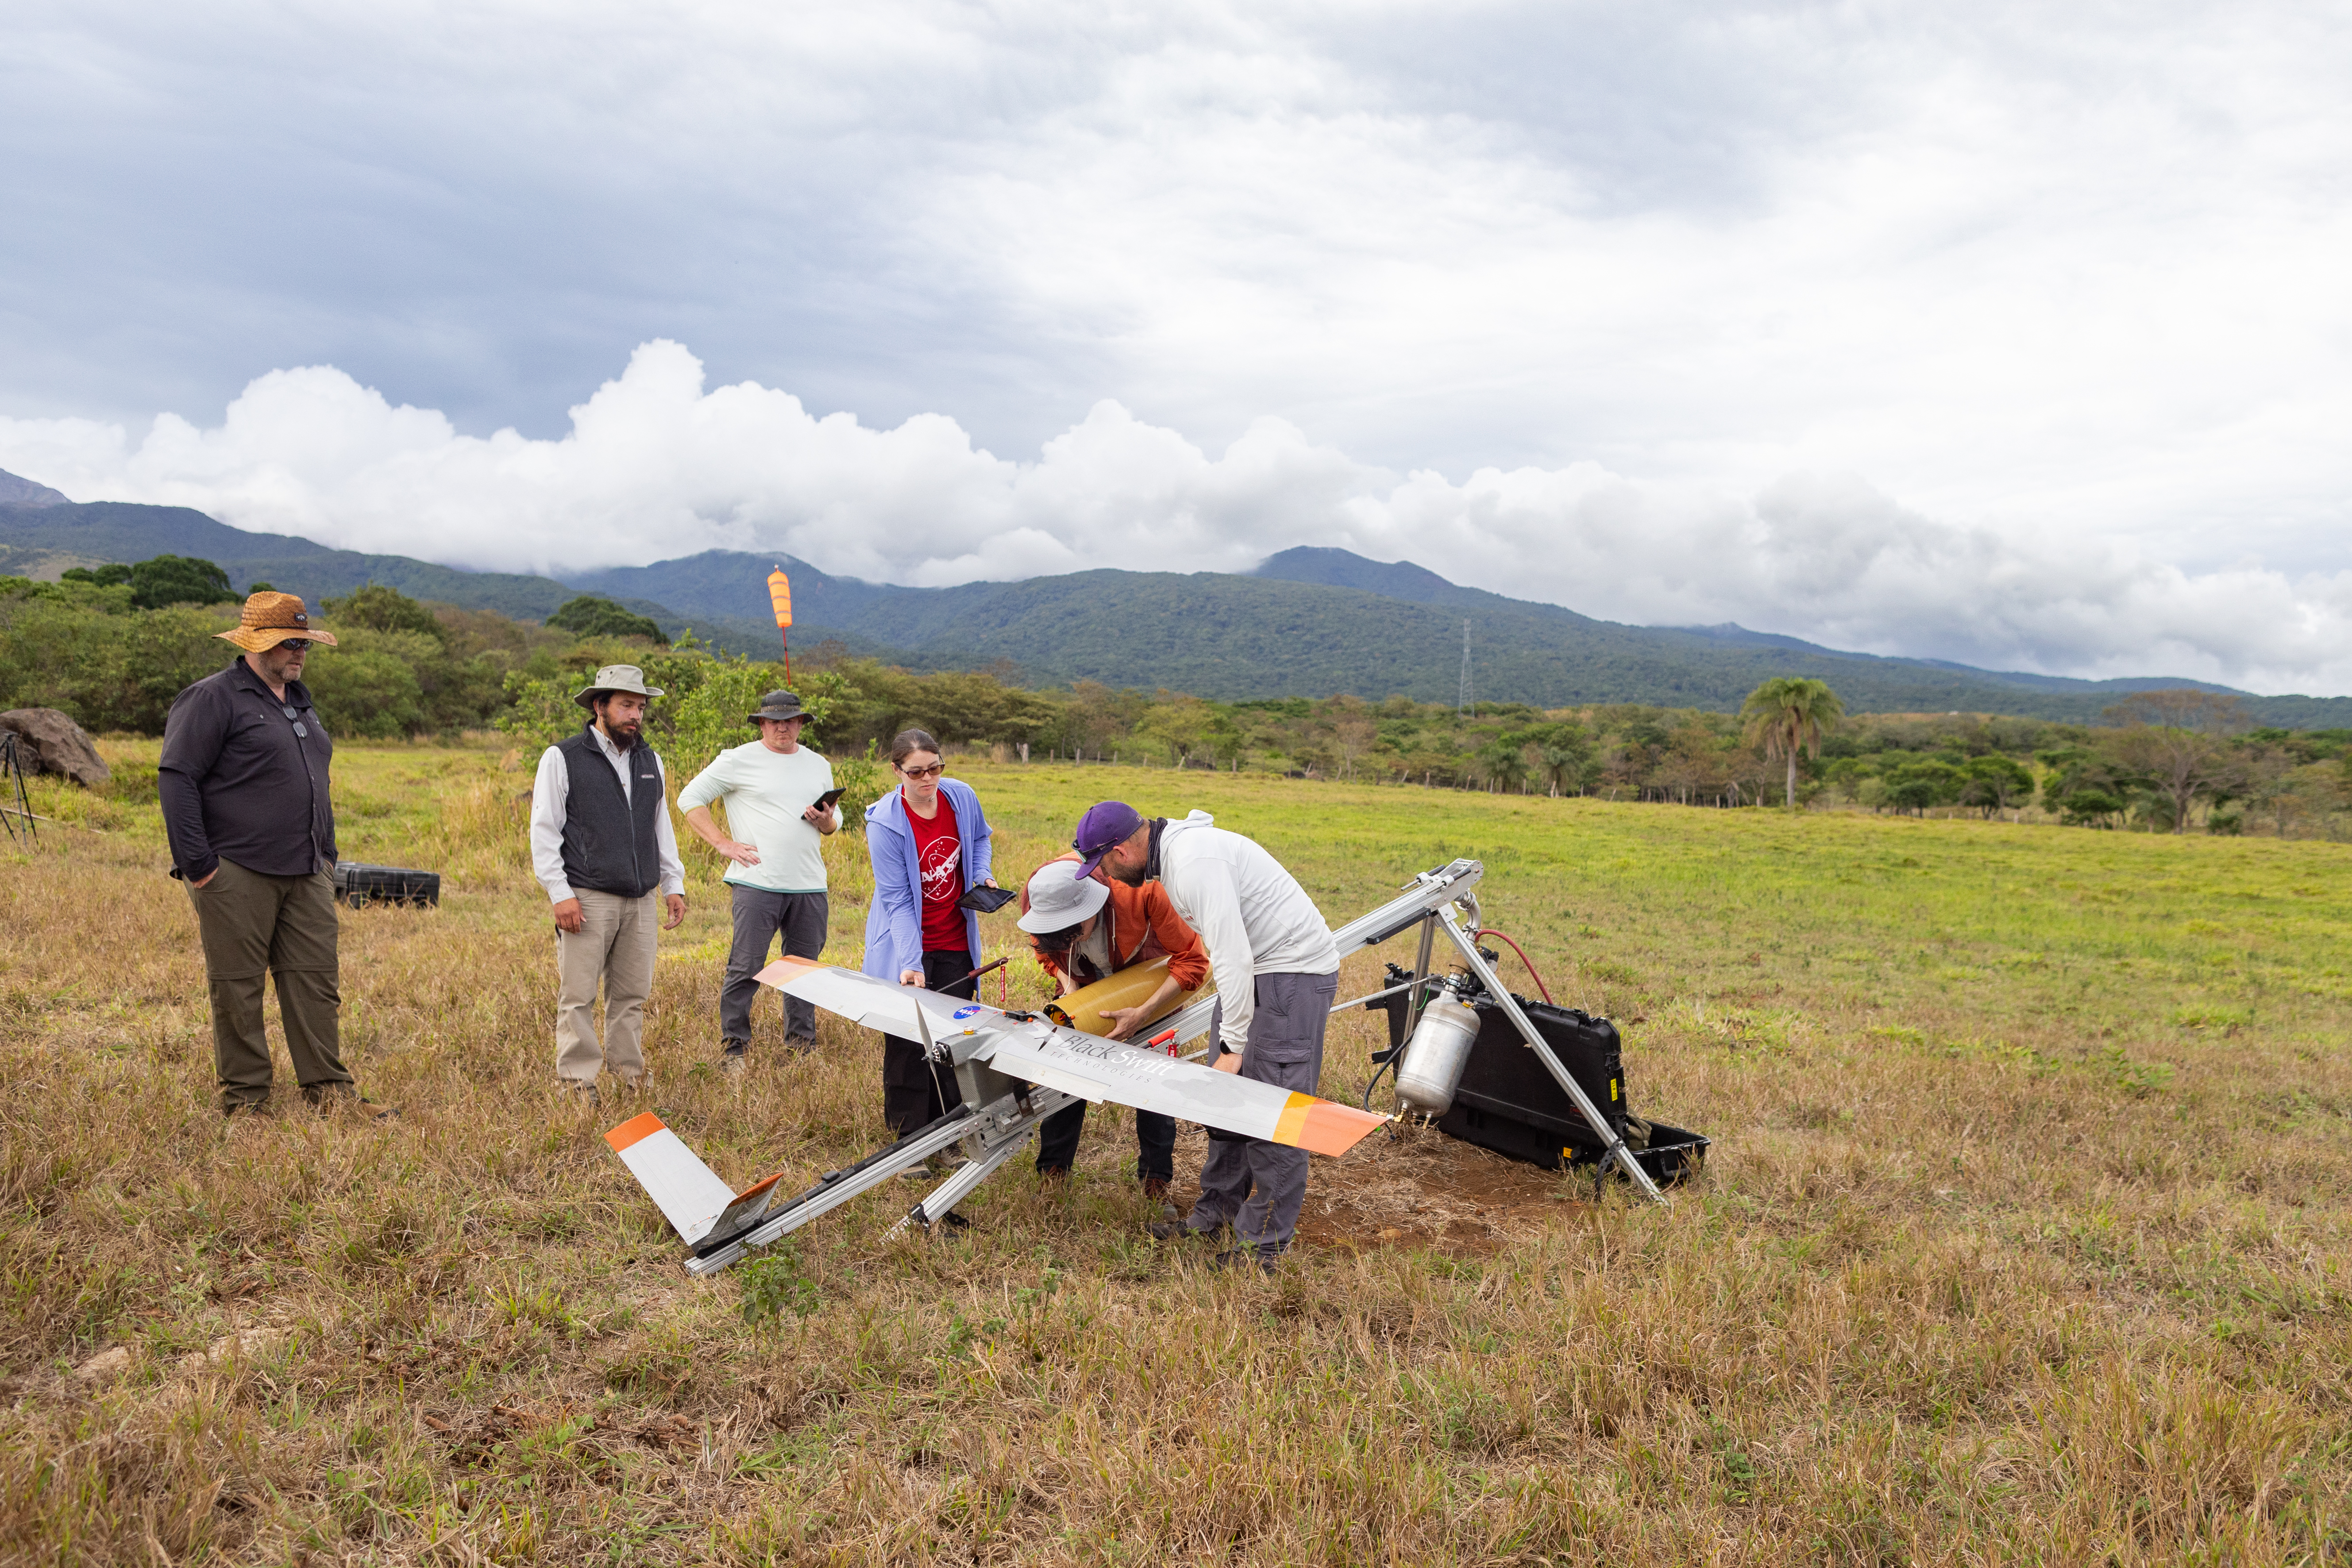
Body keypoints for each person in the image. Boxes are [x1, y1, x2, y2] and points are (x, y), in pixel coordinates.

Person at [158, 591, 396, 1121]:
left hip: (308, 868)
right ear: (255, 644)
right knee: (237, 988)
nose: (299, 653)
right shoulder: (213, 698)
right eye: (289, 643)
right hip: (236, 868)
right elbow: (178, 779)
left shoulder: (300, 702)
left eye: (304, 643)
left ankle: (329, 1092)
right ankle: (247, 1102)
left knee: (316, 980)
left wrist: (328, 856)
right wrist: (200, 866)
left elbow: (317, 782)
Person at [1074, 801, 1339, 1273]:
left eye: (1107, 865)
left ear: (1123, 849)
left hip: (1289, 977)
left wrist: (1234, 1048)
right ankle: (1218, 1210)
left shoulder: (1193, 862)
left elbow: (1231, 957)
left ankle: (1263, 1247)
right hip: (1259, 973)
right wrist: (1232, 1043)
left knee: (1274, 1109)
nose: (1110, 876)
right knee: (1228, 1101)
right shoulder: (1177, 857)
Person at [528, 664, 687, 1104]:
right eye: (625, 706)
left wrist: (672, 883)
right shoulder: (563, 757)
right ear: (600, 706)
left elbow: (661, 826)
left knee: (632, 994)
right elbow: (544, 830)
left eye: (639, 707)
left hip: (640, 898)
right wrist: (560, 893)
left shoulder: (649, 760)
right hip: (588, 894)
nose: (634, 715)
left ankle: (627, 1075)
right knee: (578, 994)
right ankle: (577, 1083)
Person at [1016, 851, 1207, 1204]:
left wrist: (1144, 1011)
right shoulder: (1038, 895)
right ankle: (1053, 1173)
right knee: (1063, 1077)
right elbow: (1043, 952)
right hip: (1083, 993)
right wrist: (1068, 982)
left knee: (1155, 1085)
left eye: (1074, 933)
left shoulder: (1143, 891)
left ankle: (1156, 1182)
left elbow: (1193, 962)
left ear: (1092, 906)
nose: (1070, 944)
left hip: (1147, 992)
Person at [679, 690, 838, 1074]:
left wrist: (825, 820)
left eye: (790, 720)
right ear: (762, 724)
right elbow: (690, 798)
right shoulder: (738, 760)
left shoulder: (818, 764)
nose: (782, 727)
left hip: (809, 882)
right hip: (757, 880)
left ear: (802, 723)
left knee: (803, 968)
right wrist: (723, 843)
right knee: (746, 964)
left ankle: (802, 1046)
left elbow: (833, 824)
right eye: (774, 721)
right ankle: (734, 1048)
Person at [862, 728, 996, 1159]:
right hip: (907, 944)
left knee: (952, 1040)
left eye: (935, 768)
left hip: (957, 941)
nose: (928, 779)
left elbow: (980, 838)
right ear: (897, 770)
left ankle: (948, 1137)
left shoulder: (960, 797)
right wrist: (911, 961)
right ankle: (909, 1146)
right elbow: (897, 899)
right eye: (916, 772)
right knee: (907, 1044)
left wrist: (980, 874)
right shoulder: (885, 823)